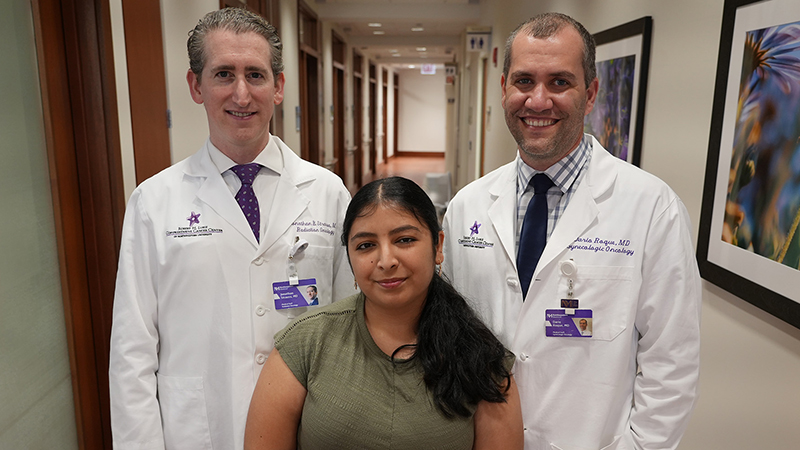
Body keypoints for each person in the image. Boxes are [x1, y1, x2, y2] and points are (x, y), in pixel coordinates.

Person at [442, 12, 701, 450]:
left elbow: (671, 361)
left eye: (559, 82)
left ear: (591, 93)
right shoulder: (467, 204)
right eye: (524, 81)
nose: (538, 101)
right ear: (504, 87)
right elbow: (448, 334)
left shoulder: (652, 208)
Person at [108, 8, 353, 449]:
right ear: (195, 86)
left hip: (305, 427)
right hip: (199, 431)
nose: (241, 94)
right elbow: (132, 353)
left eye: (255, 75)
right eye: (223, 74)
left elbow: (354, 325)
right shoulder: (154, 203)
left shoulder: (327, 193)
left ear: (278, 87)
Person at [244, 177, 524, 450]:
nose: (386, 261)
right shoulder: (303, 344)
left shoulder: (481, 359)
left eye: (404, 239)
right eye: (366, 245)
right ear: (350, 258)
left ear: (438, 246)